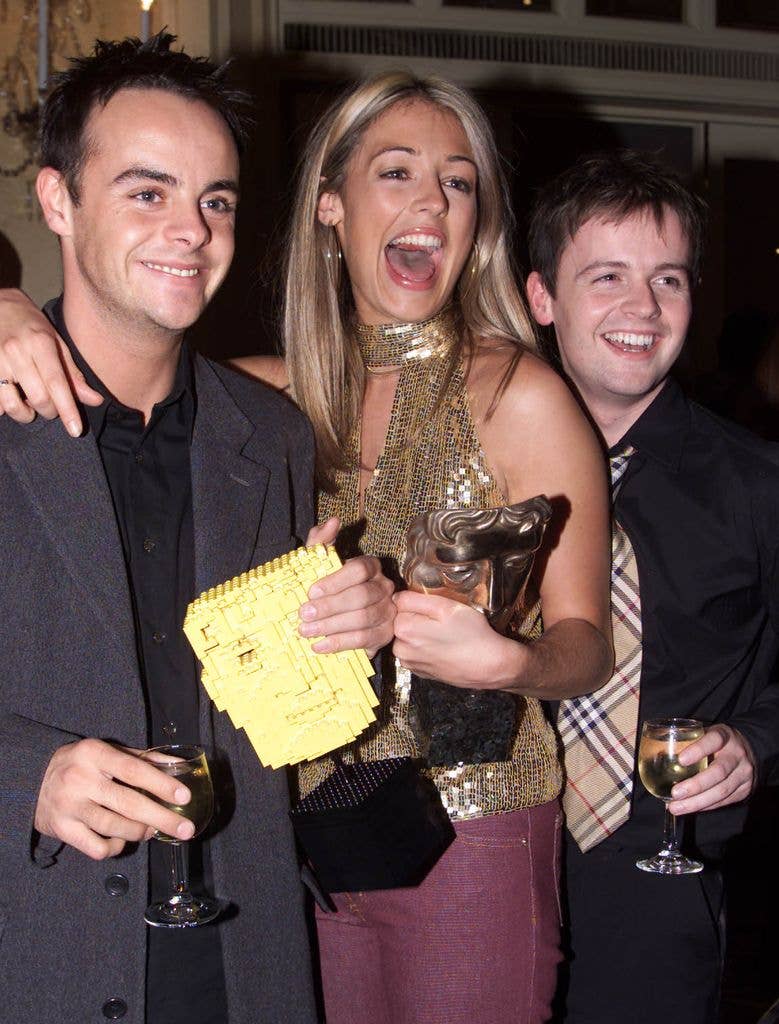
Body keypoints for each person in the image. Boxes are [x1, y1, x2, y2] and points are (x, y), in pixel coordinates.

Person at [0, 71, 613, 1024]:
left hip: (461, 828)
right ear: (330, 205)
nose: (429, 202)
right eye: (398, 171)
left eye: (457, 183)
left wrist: (506, 659)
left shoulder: (502, 394)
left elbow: (586, 639)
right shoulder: (273, 404)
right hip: (307, 849)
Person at [0, 35, 395, 1024]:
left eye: (214, 198)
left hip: (237, 953)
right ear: (58, 202)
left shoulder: (266, 438)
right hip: (33, 945)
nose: (191, 229)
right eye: (147, 192)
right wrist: (24, 774)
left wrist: (351, 638)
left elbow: (276, 715)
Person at [525, 150, 779, 1024]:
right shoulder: (478, 467)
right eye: (606, 277)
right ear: (540, 298)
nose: (642, 309)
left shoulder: (757, 485)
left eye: (666, 280)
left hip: (658, 877)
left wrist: (754, 741)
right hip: (487, 860)